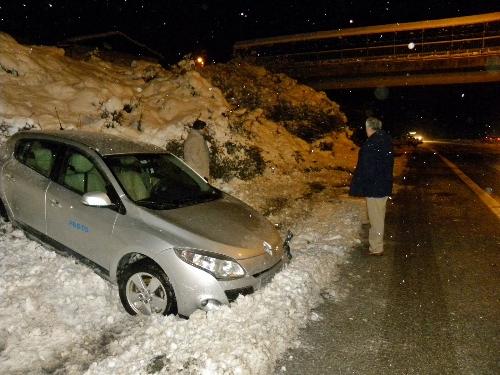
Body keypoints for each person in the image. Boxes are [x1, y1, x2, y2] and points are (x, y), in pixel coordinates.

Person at [349, 117, 394, 256]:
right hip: (382, 184)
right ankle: (376, 245)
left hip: (375, 187)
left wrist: (359, 185)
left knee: (376, 219)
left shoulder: (372, 144)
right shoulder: (385, 140)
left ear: (369, 127)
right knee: (377, 216)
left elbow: (366, 168)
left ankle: (376, 248)